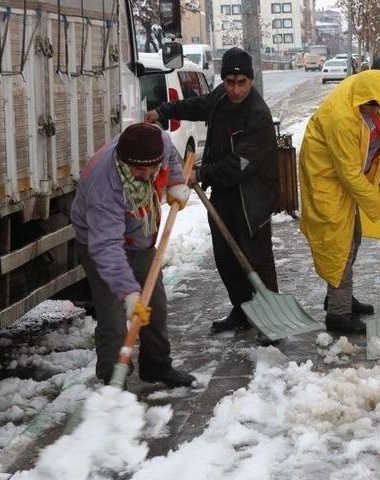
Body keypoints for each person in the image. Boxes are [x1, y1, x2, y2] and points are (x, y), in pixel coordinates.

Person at [145, 47, 279, 334]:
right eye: (230, 82)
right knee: (226, 260)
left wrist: (201, 173)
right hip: (223, 195)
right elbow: (196, 105)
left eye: (241, 83)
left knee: (257, 260)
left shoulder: (258, 116)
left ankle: (271, 318)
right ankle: (243, 311)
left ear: (251, 81)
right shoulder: (220, 97)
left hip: (251, 199)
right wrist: (163, 111)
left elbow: (240, 163)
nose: (235, 89)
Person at [71, 123, 195, 388]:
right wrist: (128, 291)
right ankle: (114, 382)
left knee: (155, 305)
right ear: (123, 162)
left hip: (140, 236)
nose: (148, 174)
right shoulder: (104, 186)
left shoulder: (157, 142)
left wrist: (175, 182)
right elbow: (106, 247)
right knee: (114, 319)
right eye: (140, 170)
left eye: (153, 168)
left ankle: (156, 366)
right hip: (100, 246)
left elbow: (172, 157)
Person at [298, 70, 380, 334]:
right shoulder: (342, 119)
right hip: (325, 177)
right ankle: (338, 314)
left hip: (344, 172)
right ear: (362, 100)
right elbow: (350, 174)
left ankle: (339, 296)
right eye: (372, 106)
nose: (376, 110)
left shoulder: (367, 91)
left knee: (353, 237)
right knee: (338, 243)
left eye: (379, 105)